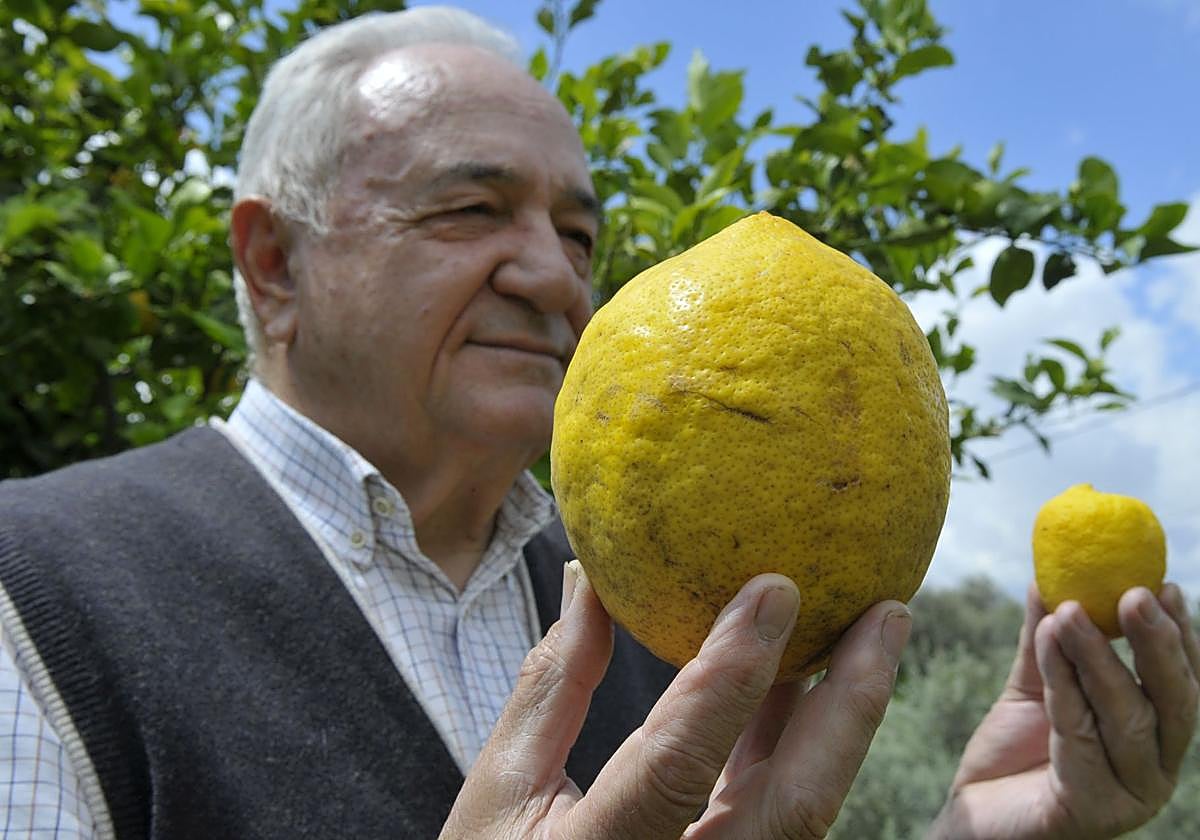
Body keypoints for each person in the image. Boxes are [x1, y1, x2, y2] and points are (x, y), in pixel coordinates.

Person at [0, 6, 1195, 838]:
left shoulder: (664, 607)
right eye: (472, 209)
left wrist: (985, 830)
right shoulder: (37, 600)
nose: (553, 276)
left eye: (577, 234)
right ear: (273, 263)